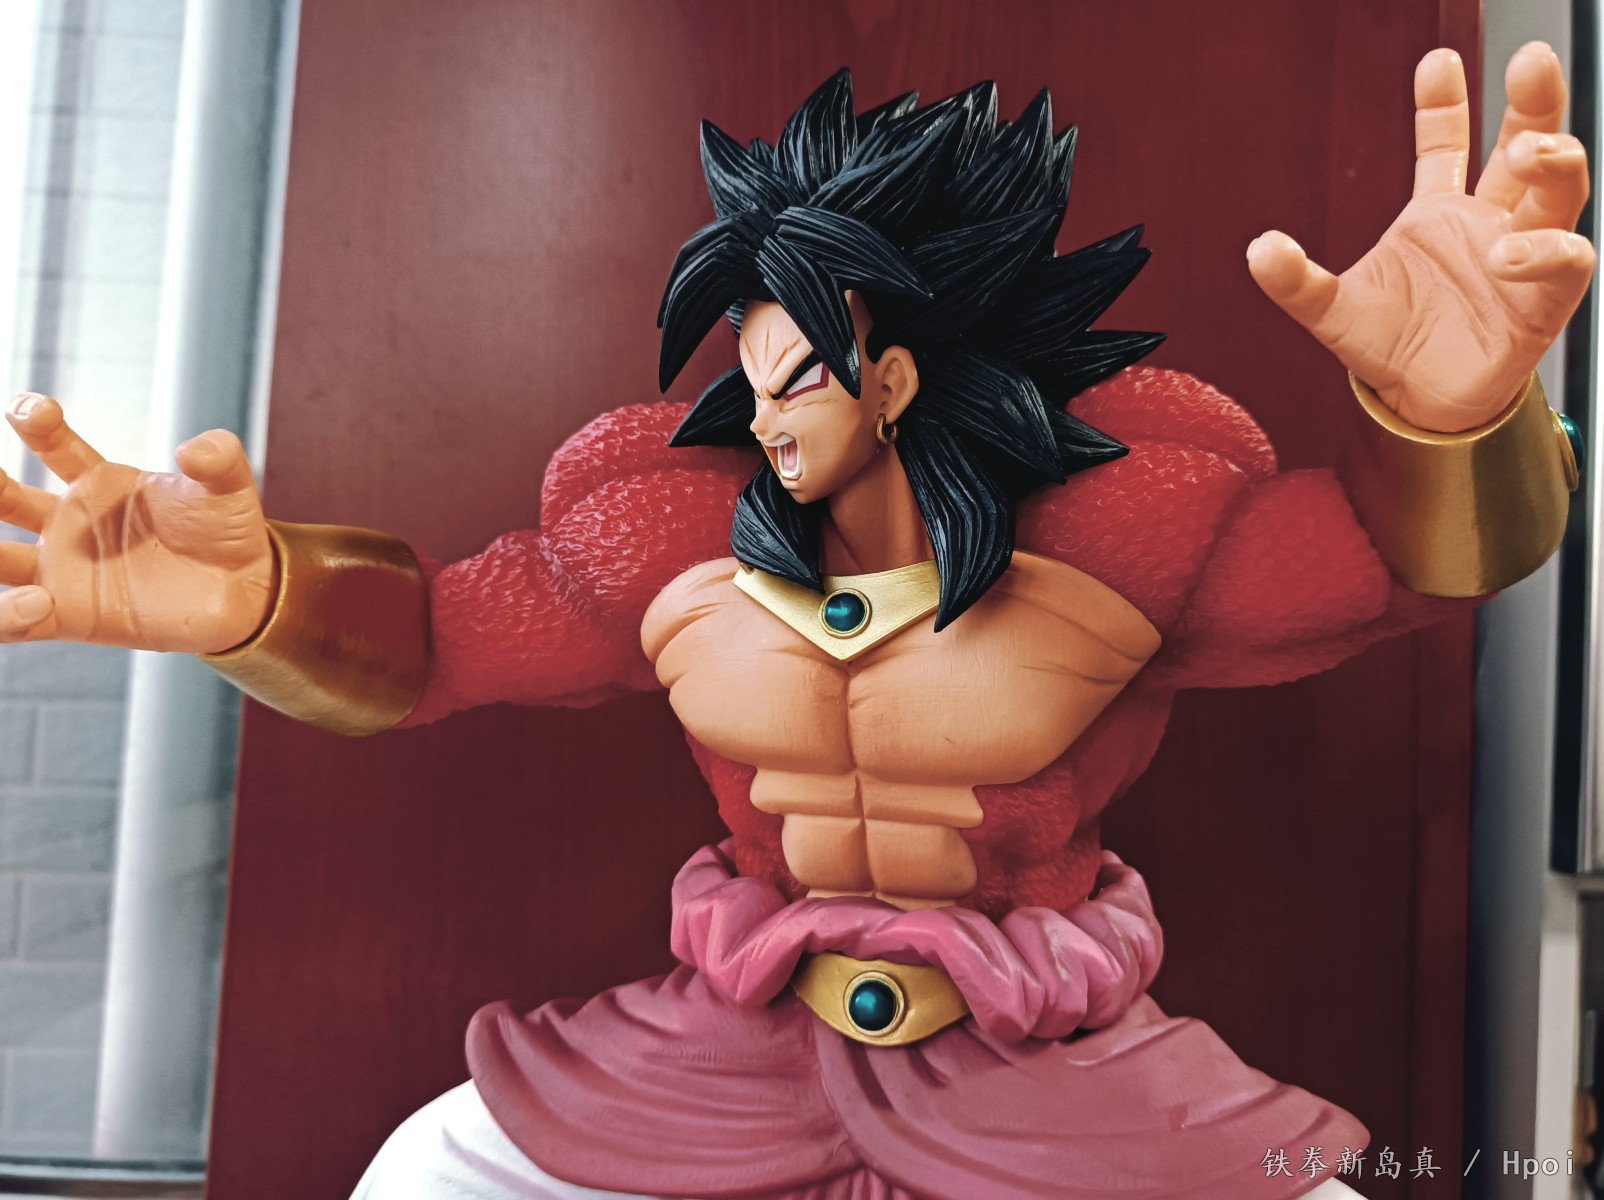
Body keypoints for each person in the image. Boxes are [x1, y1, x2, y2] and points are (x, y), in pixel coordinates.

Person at [0, 43, 1588, 1200]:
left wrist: (1453, 417)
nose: (762, 419)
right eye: (750, 378)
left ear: (889, 377)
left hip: (1046, 1063)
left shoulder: (1120, 533)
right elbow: (437, 646)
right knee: (428, 1174)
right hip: (722, 1048)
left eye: (799, 379)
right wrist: (263, 601)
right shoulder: (669, 536)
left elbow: (1400, 563)